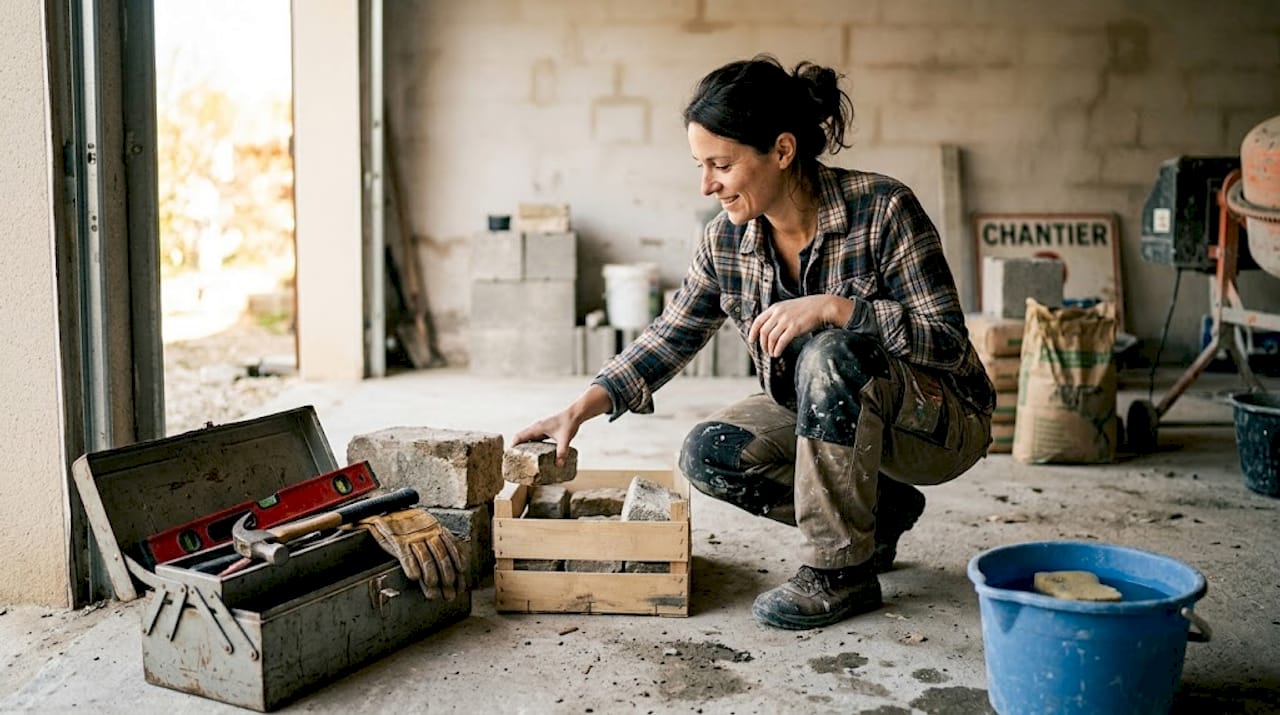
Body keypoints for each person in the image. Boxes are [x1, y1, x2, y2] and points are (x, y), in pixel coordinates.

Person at [513, 55, 994, 630]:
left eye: (721, 165)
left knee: (830, 352)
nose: (707, 184)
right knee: (710, 454)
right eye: (700, 165)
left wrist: (840, 309)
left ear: (783, 152)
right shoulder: (726, 241)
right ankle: (879, 516)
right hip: (828, 415)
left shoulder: (884, 209)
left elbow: (945, 342)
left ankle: (839, 573)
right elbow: (670, 336)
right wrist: (577, 410)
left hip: (939, 423)